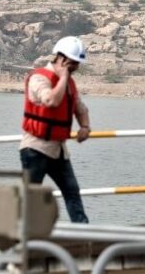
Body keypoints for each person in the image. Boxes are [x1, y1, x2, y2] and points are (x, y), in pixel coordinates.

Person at [19, 36, 91, 223]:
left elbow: (81, 108)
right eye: (73, 63)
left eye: (77, 63)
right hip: (35, 149)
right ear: (61, 59)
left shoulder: (69, 83)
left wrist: (85, 126)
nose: (76, 67)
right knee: (31, 196)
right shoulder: (39, 78)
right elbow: (51, 101)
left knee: (72, 191)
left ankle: (83, 231)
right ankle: (23, 234)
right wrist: (64, 77)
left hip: (58, 150)